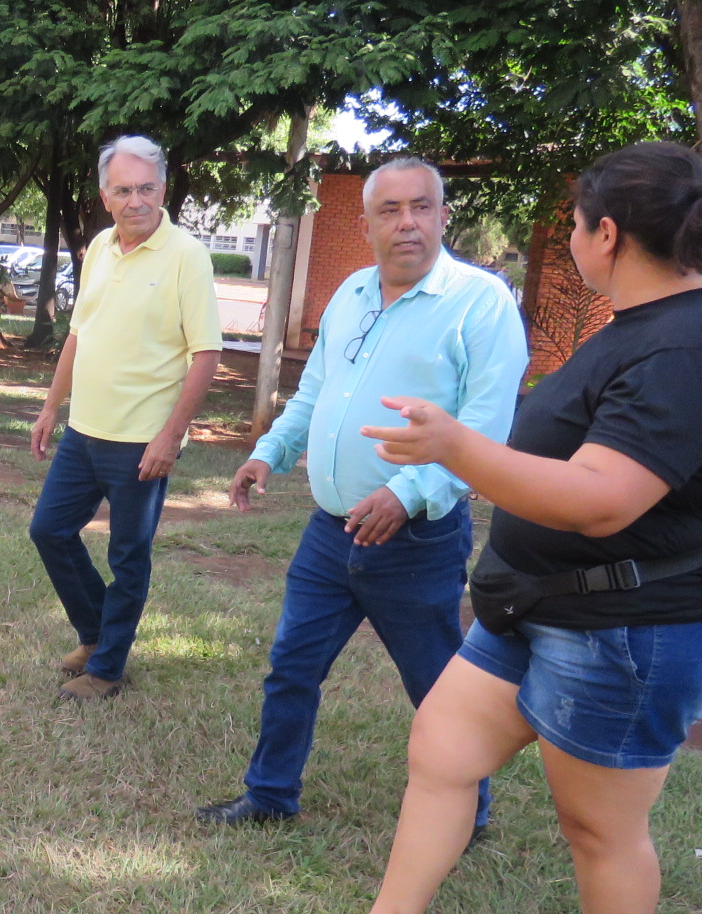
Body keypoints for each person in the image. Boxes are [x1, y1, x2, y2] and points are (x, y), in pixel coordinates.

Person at [266, 141, 702, 914]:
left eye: (576, 224)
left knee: (598, 827)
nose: (572, 238)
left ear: (607, 233)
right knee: (443, 748)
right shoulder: (642, 321)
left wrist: (450, 447)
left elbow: (601, 498)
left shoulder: (690, 343)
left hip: (630, 626)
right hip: (541, 608)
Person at [201, 158, 527, 843]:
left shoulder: (481, 302)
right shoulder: (350, 292)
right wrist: (269, 452)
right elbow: (318, 394)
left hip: (414, 542)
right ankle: (269, 795)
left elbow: (485, 426)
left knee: (438, 688)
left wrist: (407, 495)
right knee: (292, 666)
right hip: (329, 531)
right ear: (366, 223)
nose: (406, 222)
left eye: (421, 207)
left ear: (444, 216)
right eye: (390, 210)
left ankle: (471, 813)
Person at [30, 135, 223, 701]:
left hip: (142, 442)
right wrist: (50, 407)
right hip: (84, 433)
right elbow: (78, 335)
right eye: (123, 190)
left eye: (145, 187)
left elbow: (205, 353)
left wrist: (171, 435)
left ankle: (108, 669)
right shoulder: (98, 249)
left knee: (127, 556)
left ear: (163, 189)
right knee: (49, 530)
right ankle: (96, 635)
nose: (135, 199)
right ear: (104, 196)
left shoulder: (187, 255)